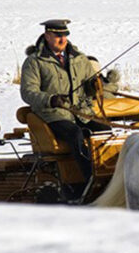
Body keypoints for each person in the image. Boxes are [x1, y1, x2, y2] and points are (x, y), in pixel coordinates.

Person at [20, 19, 110, 203]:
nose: (62, 39)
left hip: (80, 113)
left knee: (104, 131)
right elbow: (28, 92)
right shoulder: (34, 62)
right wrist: (51, 99)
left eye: (65, 35)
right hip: (52, 115)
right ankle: (89, 180)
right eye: (58, 35)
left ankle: (107, 176)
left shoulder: (79, 59)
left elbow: (89, 87)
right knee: (75, 134)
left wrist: (96, 87)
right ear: (47, 35)